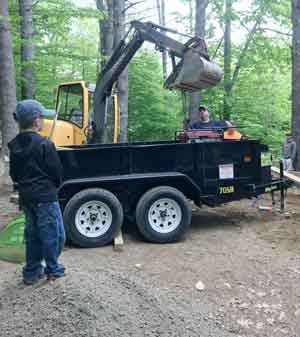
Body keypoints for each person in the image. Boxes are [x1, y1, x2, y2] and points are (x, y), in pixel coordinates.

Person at [8, 99, 66, 285]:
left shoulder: (14, 146)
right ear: (35, 121)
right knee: (54, 234)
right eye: (41, 117)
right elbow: (56, 173)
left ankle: (31, 272)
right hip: (46, 197)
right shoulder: (45, 144)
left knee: (32, 234)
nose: (43, 121)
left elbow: (14, 175)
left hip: (27, 198)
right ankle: (53, 270)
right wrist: (53, 186)